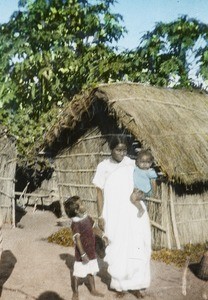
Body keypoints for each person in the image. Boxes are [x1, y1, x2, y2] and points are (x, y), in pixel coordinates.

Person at [92, 135, 152, 298]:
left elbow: (144, 183)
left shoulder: (132, 164)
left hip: (132, 212)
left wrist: (139, 197)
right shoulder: (103, 166)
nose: (121, 153)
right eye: (118, 150)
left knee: (136, 247)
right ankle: (120, 286)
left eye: (124, 150)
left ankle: (137, 285)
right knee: (118, 248)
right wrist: (100, 215)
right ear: (111, 149)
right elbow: (99, 193)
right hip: (113, 213)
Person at [64, 196, 108, 300]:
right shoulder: (76, 224)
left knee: (91, 271)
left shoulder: (87, 218)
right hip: (82, 253)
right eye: (82, 203)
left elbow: (94, 228)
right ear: (76, 210)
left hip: (91, 251)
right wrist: (83, 254)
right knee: (77, 273)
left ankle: (93, 290)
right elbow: (77, 240)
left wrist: (102, 235)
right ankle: (75, 293)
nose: (84, 205)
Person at [131, 150, 158, 217]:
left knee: (133, 197)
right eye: (142, 162)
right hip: (137, 190)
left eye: (148, 162)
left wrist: (153, 193)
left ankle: (140, 209)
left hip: (146, 191)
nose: (145, 164)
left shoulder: (150, 171)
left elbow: (154, 183)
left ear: (151, 163)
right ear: (137, 162)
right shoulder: (135, 169)